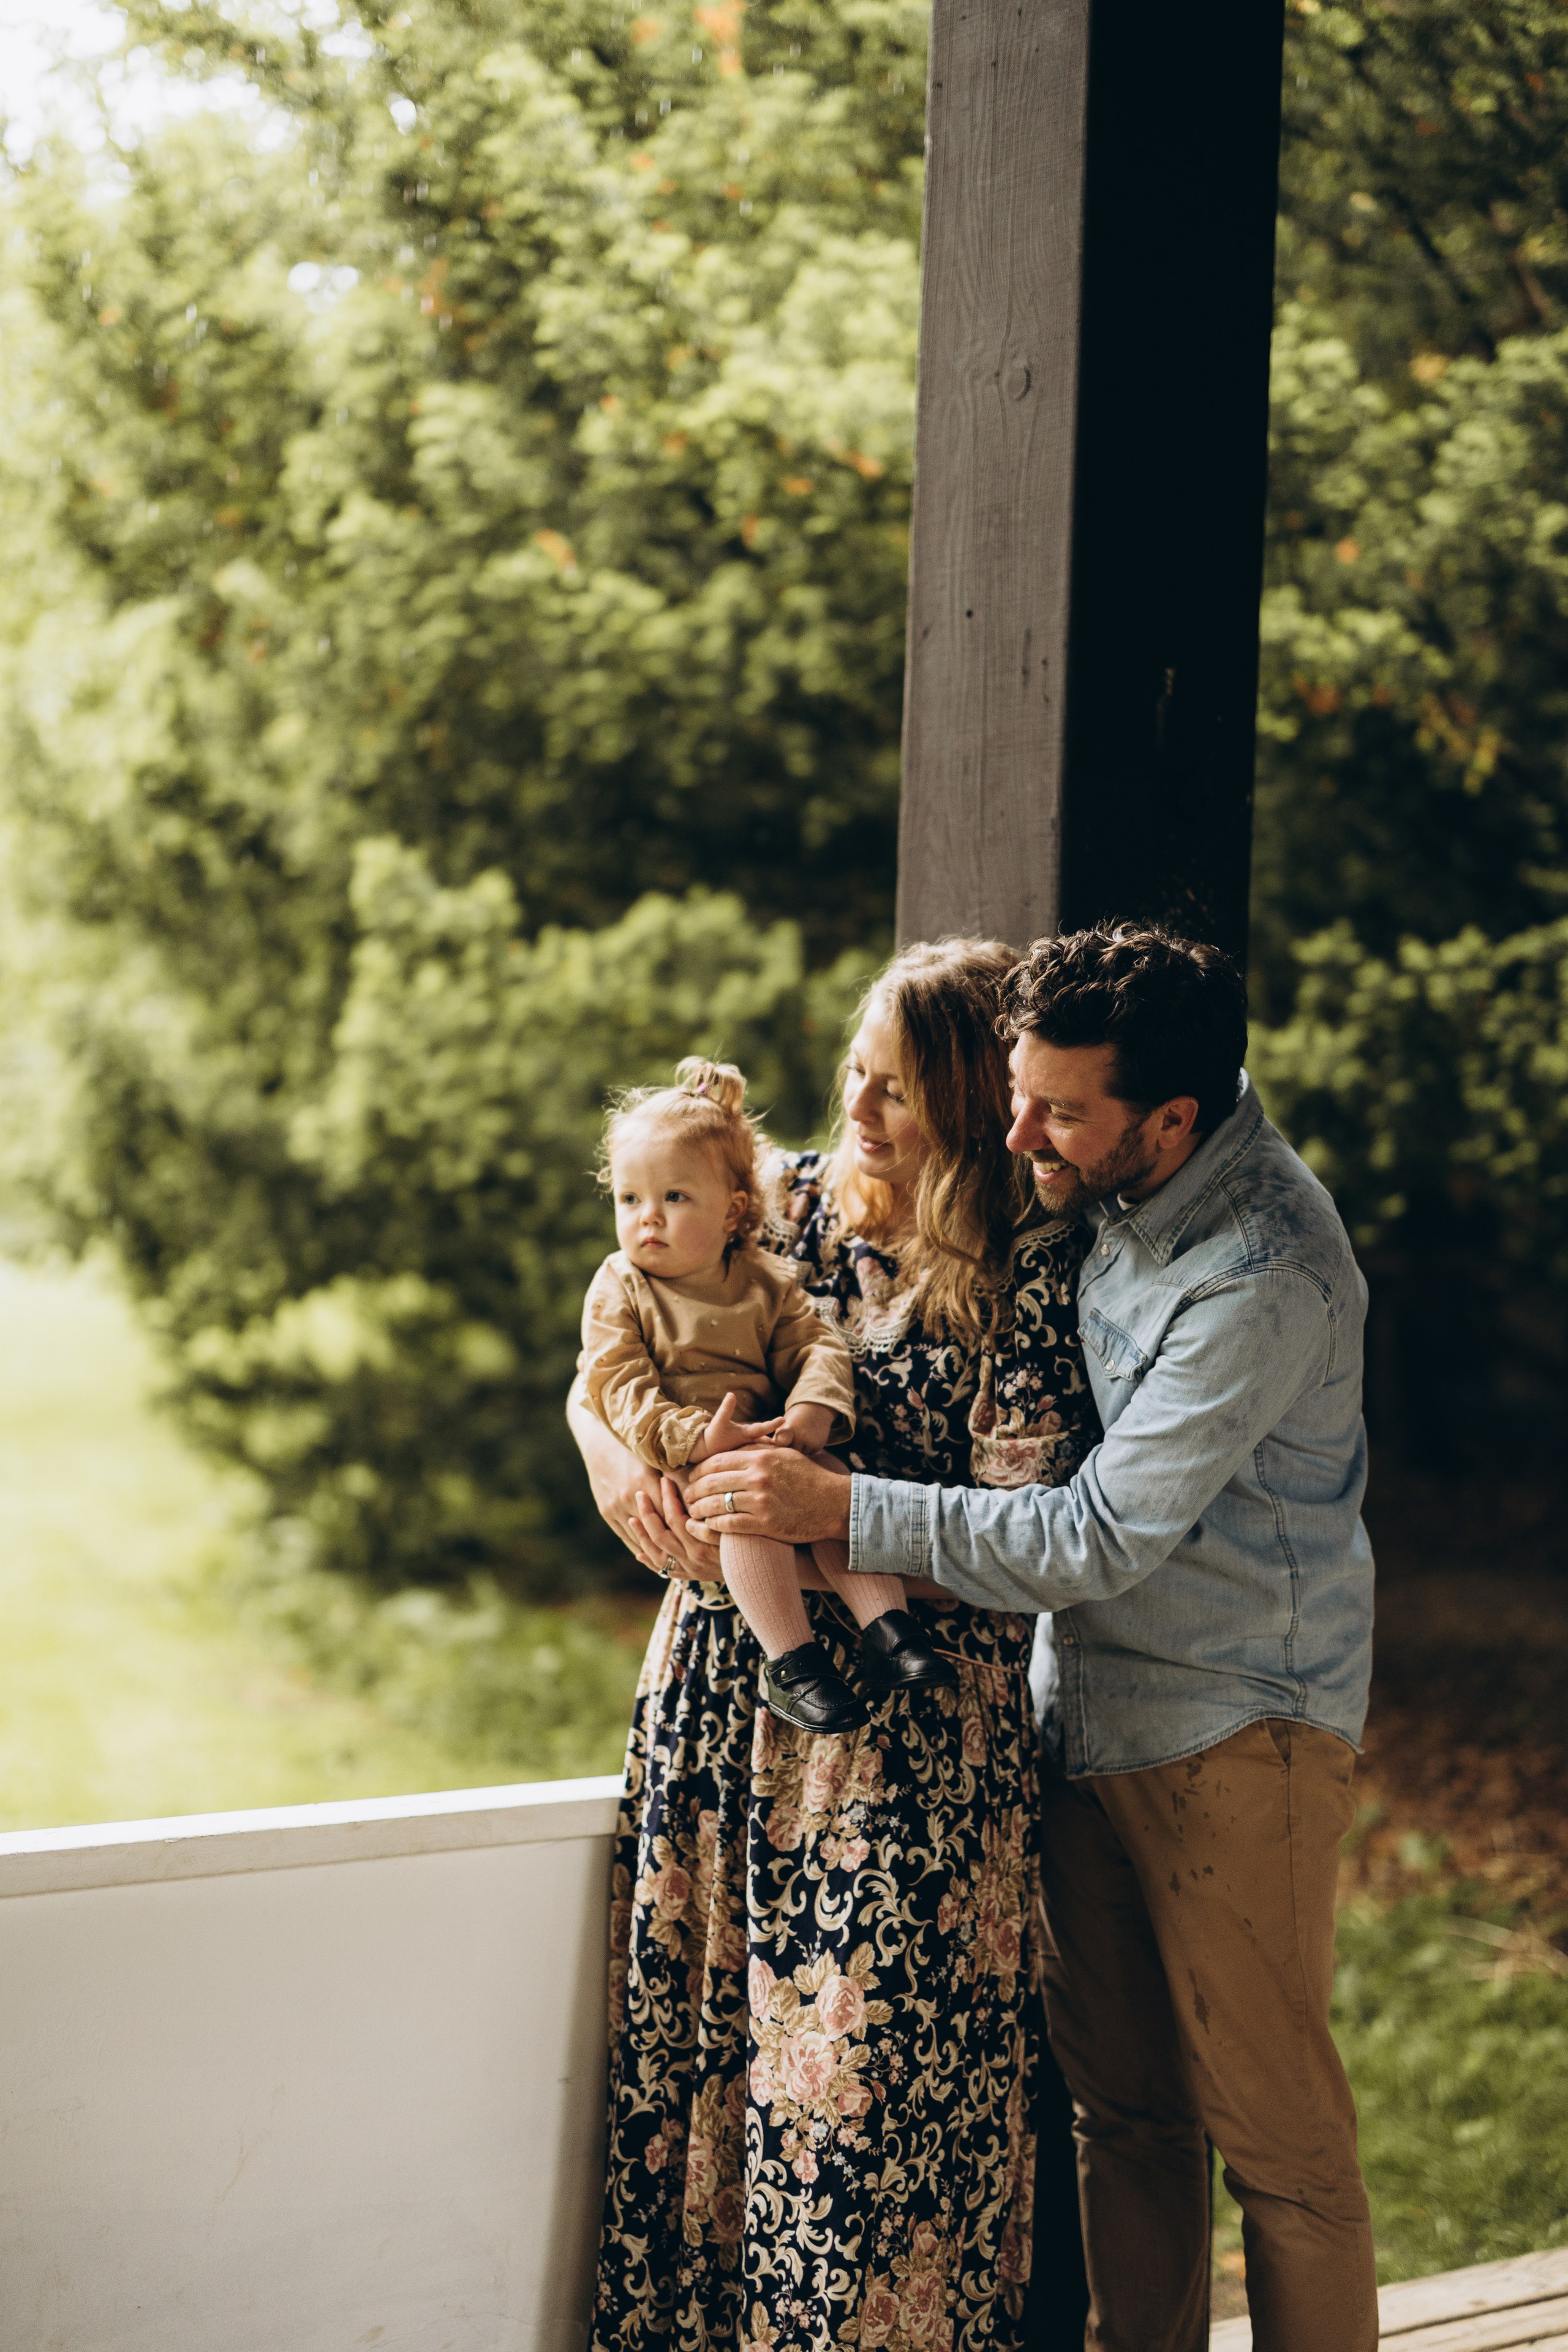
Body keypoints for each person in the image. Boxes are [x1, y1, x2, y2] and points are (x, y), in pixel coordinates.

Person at [685, 922, 1379, 2352]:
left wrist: (835, 1505)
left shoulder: (1257, 1271)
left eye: (1057, 1112)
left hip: (1234, 1728)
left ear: (1169, 1118)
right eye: (1014, 1091)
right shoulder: (1101, 1176)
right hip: (1080, 1713)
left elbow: (1091, 1537)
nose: (1019, 1133)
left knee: (1279, 2148)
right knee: (1125, 2118)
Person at [569, 939, 1099, 2352]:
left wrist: (834, 1503)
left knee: (861, 2128)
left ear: (982, 1104)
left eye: (899, 1090)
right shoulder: (771, 1194)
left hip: (906, 1738)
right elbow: (607, 1343)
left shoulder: (1028, 1267)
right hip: (720, 1697)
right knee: (708, 2089)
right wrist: (612, 1463)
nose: (858, 1112)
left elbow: (1030, 1518)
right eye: (853, 1075)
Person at [581, 1053, 954, 1731]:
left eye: (674, 1197)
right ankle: (793, 1665)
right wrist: (692, 1439)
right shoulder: (621, 1285)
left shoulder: (764, 1278)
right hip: (691, 1456)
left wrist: (814, 1408)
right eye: (629, 1199)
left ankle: (889, 1632)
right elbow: (615, 1381)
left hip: (767, 1443)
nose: (647, 1219)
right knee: (747, 1516)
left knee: (841, 1495)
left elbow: (815, 1345)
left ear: (734, 1211)